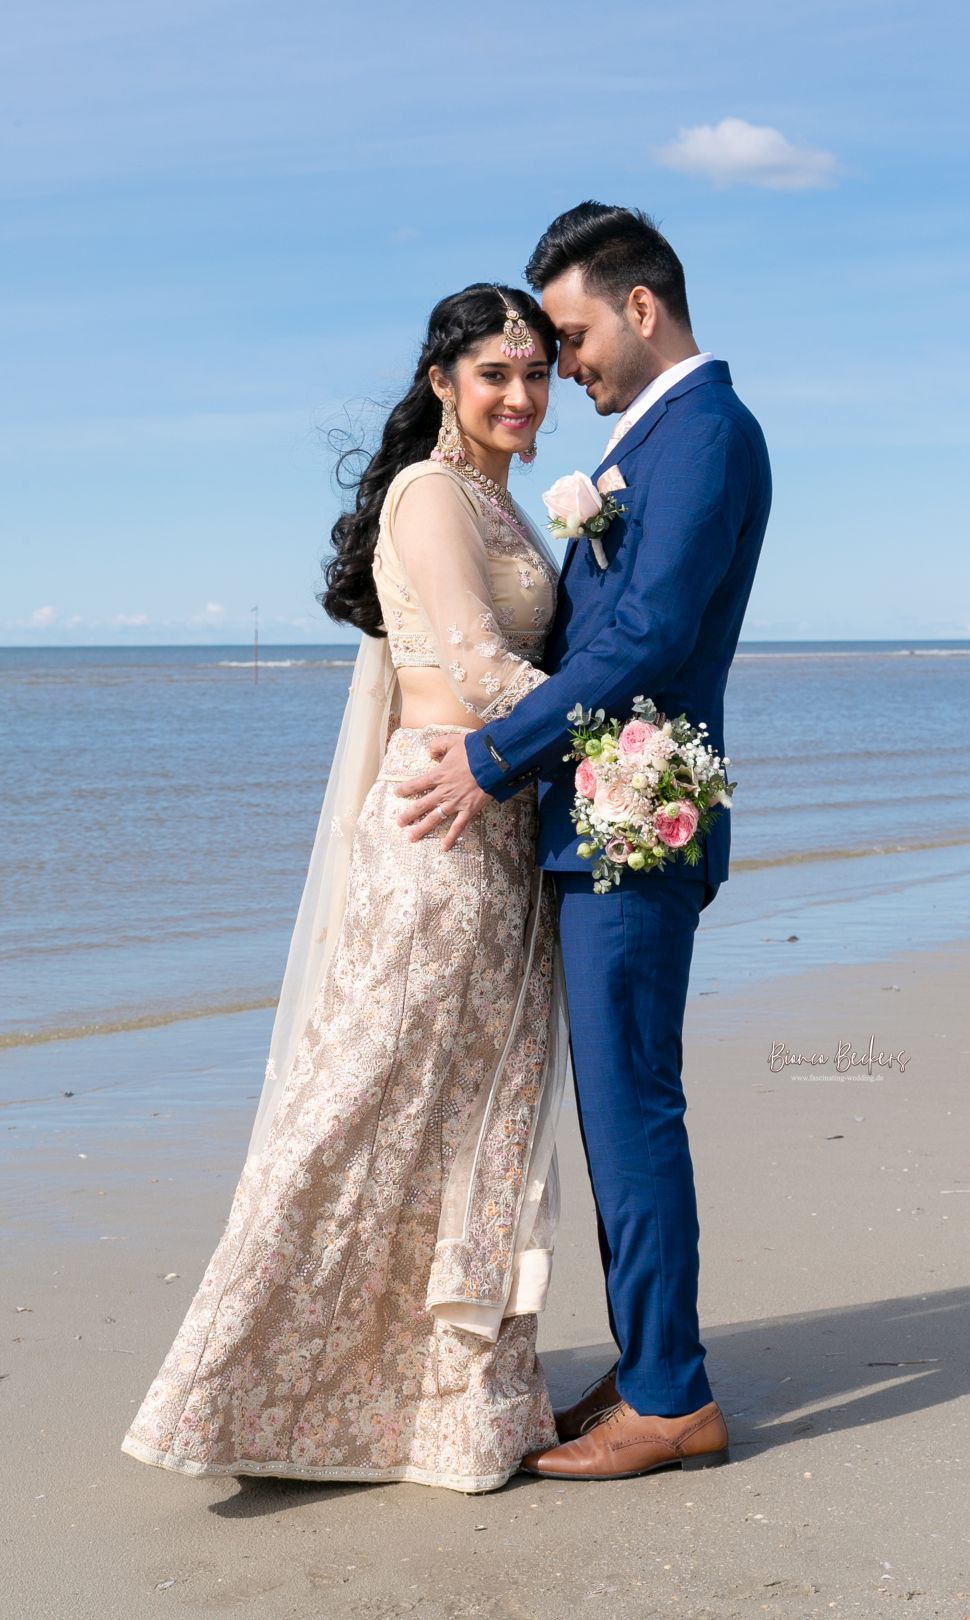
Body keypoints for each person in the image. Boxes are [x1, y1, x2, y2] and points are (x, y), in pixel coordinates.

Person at [120, 283, 570, 1494]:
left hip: (502, 818)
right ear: (442, 383)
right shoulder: (431, 492)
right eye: (496, 374)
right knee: (364, 1092)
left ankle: (438, 1411)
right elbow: (477, 665)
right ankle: (233, 1384)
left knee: (468, 1112)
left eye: (536, 373)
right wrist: (622, 722)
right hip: (443, 818)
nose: (522, 396)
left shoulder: (500, 502)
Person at [397, 204, 773, 1480]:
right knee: (618, 1108)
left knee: (629, 1108)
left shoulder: (705, 431)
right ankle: (650, 1356)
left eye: (569, 336)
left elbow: (650, 637)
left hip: (633, 823)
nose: (561, 367)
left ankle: (671, 1399)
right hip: (600, 816)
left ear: (641, 307)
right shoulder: (653, 437)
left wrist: (494, 756)